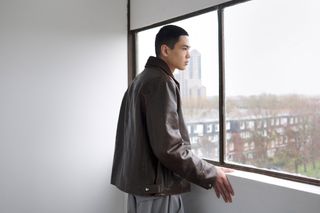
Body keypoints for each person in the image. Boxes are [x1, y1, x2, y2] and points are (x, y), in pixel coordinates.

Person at [111, 25, 234, 213]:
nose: (189, 55)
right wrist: (210, 172)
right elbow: (169, 147)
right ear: (165, 50)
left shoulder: (140, 80)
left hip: (140, 190)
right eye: (184, 48)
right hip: (157, 192)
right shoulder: (162, 82)